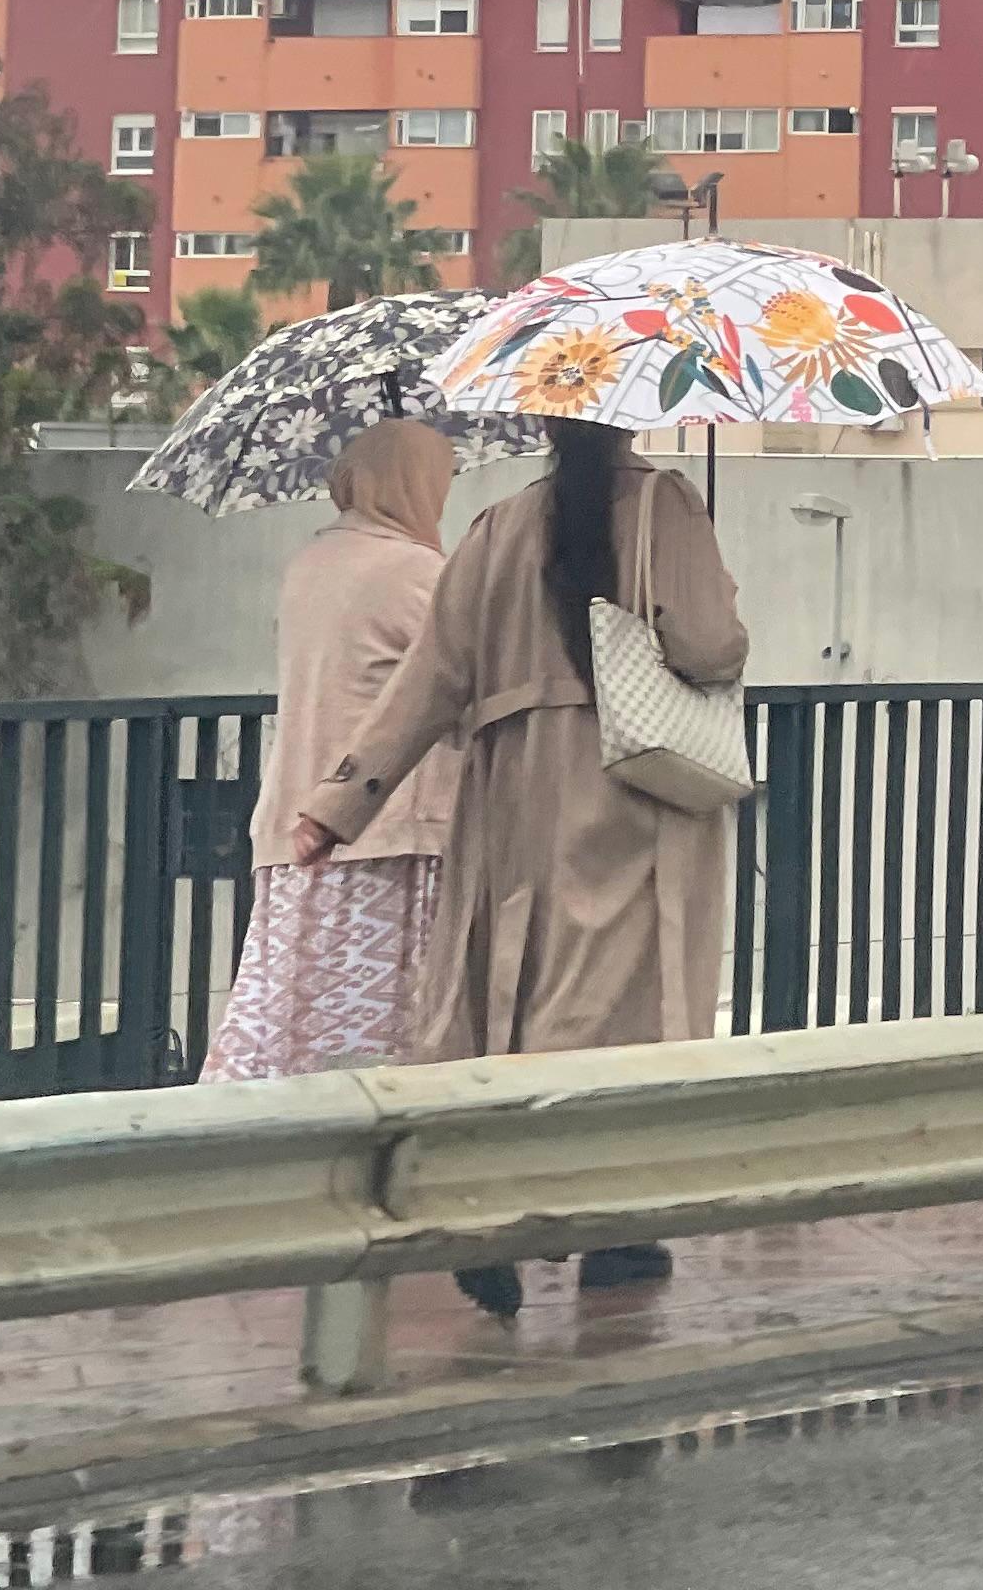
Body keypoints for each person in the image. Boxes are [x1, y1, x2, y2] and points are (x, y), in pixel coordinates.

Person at [291, 416, 748, 1317]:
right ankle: (611, 1228)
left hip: (506, 793)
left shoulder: (495, 526)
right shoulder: (666, 506)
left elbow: (429, 678)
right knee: (614, 1015)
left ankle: (488, 1208)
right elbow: (709, 644)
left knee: (506, 997)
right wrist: (716, 586)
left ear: (543, 423)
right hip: (631, 789)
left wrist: (338, 803)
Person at [203, 419, 463, 1083]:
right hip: (387, 830)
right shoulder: (415, 571)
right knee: (385, 1036)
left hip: (293, 825)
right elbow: (462, 676)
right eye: (441, 477)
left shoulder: (309, 564)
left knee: (286, 1014)